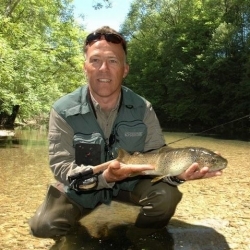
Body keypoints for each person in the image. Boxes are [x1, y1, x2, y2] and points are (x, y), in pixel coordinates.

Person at [29, 26, 222, 239]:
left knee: (166, 196)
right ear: (85, 67)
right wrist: (104, 177)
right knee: (43, 225)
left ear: (125, 69)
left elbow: (159, 154)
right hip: (83, 187)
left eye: (113, 61)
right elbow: (61, 166)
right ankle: (78, 239)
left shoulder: (143, 108)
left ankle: (133, 239)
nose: (103, 68)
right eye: (95, 60)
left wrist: (177, 175)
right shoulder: (62, 109)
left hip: (129, 184)